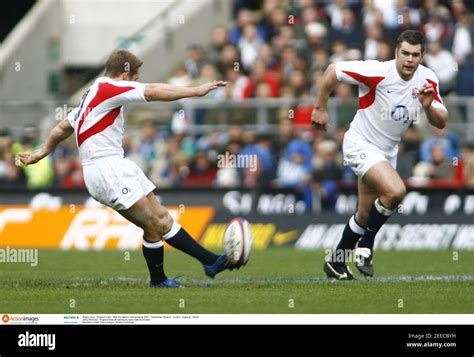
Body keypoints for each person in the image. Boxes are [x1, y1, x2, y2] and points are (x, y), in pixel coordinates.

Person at [16, 50, 233, 288]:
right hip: (105, 169)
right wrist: (196, 91)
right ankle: (160, 280)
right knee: (152, 224)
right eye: (136, 77)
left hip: (117, 164)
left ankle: (210, 262)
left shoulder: (93, 95)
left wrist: (42, 151)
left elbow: (62, 127)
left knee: (162, 219)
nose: (137, 82)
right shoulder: (110, 87)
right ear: (126, 73)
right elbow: (152, 92)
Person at [312, 30, 448, 280]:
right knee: (395, 191)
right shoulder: (377, 72)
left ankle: (336, 262)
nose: (409, 59)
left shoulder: (427, 79)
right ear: (396, 52)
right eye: (405, 53)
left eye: (415, 55)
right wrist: (320, 108)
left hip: (386, 152)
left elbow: (441, 122)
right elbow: (332, 70)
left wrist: (428, 107)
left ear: (422, 56)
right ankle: (366, 246)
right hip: (360, 143)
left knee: (364, 214)